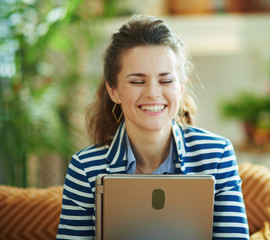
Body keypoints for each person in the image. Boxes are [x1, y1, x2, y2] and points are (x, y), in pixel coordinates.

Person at [56, 15, 250, 240]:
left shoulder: (217, 156)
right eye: (137, 81)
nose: (153, 93)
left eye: (166, 80)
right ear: (113, 90)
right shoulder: (85, 169)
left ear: (181, 87)